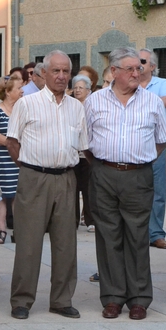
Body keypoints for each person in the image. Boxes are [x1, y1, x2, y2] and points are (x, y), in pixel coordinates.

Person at [85, 47, 166, 320]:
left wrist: (136, 161)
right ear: (114, 71)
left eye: (139, 68)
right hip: (103, 174)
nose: (137, 73)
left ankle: (139, 299)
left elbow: (161, 142)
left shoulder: (153, 102)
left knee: (137, 237)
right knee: (108, 236)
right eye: (131, 69)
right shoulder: (94, 101)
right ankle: (112, 297)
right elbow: (85, 141)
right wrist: (105, 164)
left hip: (138, 176)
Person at [7, 50, 88, 320]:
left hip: (66, 179)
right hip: (34, 177)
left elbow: (83, 147)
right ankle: (21, 300)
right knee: (28, 243)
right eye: (56, 71)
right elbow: (12, 142)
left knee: (66, 244)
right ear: (44, 73)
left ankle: (61, 300)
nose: (62, 76)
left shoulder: (77, 107)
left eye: (66, 71)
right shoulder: (27, 104)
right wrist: (30, 168)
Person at [138, 48, 166, 249]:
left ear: (152, 66)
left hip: (156, 143)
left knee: (158, 190)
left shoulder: (162, 84)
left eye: (143, 61)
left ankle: (156, 233)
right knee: (135, 190)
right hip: (136, 144)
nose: (139, 64)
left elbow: (164, 102)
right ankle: (138, 232)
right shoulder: (131, 83)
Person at [0, 77, 23, 244]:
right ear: (8, 92)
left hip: (18, 159)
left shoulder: (22, 109)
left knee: (18, 195)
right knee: (0, 195)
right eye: (19, 88)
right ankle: (1, 230)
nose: (22, 91)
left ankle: (18, 231)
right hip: (0, 160)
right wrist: (13, 144)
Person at [71, 75, 95, 232]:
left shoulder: (92, 105)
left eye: (81, 87)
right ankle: (72, 220)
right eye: (75, 87)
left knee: (88, 189)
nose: (77, 90)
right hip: (73, 153)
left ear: (88, 90)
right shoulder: (70, 104)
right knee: (72, 189)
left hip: (88, 153)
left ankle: (90, 220)